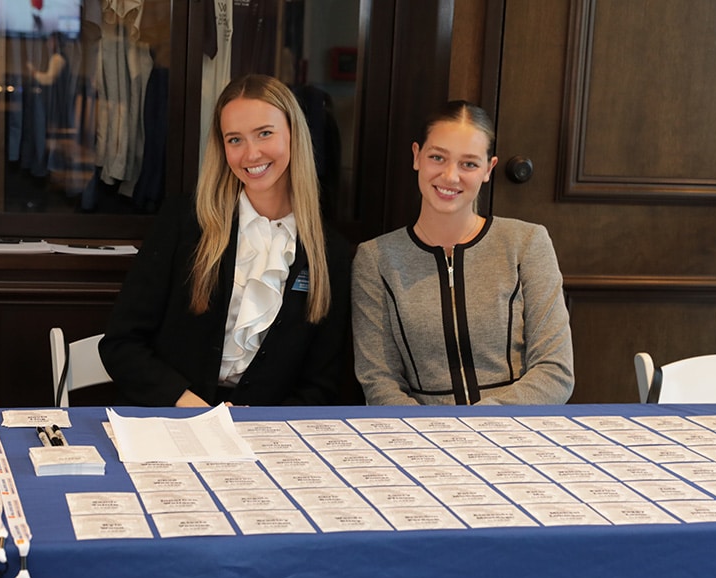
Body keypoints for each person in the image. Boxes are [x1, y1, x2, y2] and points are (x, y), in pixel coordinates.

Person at [100, 74, 352, 407]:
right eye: (235, 140)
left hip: (270, 434)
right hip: (173, 420)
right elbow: (121, 344)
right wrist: (192, 407)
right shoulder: (184, 223)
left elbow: (323, 385)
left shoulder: (330, 252)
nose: (251, 154)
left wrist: (256, 421)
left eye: (264, 133)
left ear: (294, 135)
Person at [351, 100, 574, 405]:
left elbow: (555, 372)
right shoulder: (375, 259)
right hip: (421, 438)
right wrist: (432, 433)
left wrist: (476, 424)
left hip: (517, 432)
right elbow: (379, 380)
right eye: (437, 157)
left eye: (469, 163)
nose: (450, 176)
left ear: (488, 169)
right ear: (417, 156)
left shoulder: (527, 243)